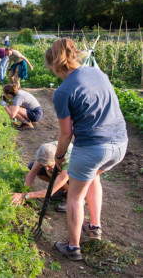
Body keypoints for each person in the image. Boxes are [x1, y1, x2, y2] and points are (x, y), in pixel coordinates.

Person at [46, 38, 128, 261]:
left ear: (54, 65)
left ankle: (73, 248)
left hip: (93, 147)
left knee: (74, 196)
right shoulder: (98, 73)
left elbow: (65, 133)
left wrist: (60, 156)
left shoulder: (63, 92)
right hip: (120, 144)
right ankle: (94, 227)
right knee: (93, 179)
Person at [12, 141, 72, 212]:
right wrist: (24, 191)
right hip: (61, 170)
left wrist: (26, 196)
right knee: (34, 166)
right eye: (45, 166)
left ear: (56, 159)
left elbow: (50, 191)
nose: (46, 168)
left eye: (49, 166)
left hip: (77, 177)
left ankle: (73, 197)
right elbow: (32, 173)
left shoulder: (68, 161)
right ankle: (61, 191)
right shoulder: (45, 152)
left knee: (56, 175)